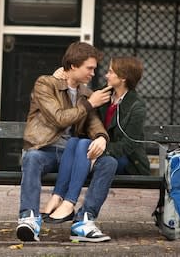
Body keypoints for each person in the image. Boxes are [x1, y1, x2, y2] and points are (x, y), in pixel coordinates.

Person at [17, 41, 118, 243]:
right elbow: (59, 118)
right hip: (46, 149)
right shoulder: (45, 84)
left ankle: (84, 221)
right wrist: (90, 104)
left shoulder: (87, 94)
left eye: (94, 69)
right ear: (73, 66)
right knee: (32, 158)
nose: (92, 73)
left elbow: (94, 124)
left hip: (72, 155)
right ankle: (29, 219)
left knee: (109, 163)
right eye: (89, 68)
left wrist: (101, 137)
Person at [42, 56, 150, 231]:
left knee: (96, 152)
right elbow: (81, 107)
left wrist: (100, 150)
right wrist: (61, 79)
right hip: (102, 156)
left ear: (123, 78)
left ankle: (68, 202)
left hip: (127, 160)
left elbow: (128, 145)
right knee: (76, 142)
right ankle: (61, 199)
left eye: (110, 72)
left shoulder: (136, 106)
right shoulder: (104, 96)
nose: (106, 75)